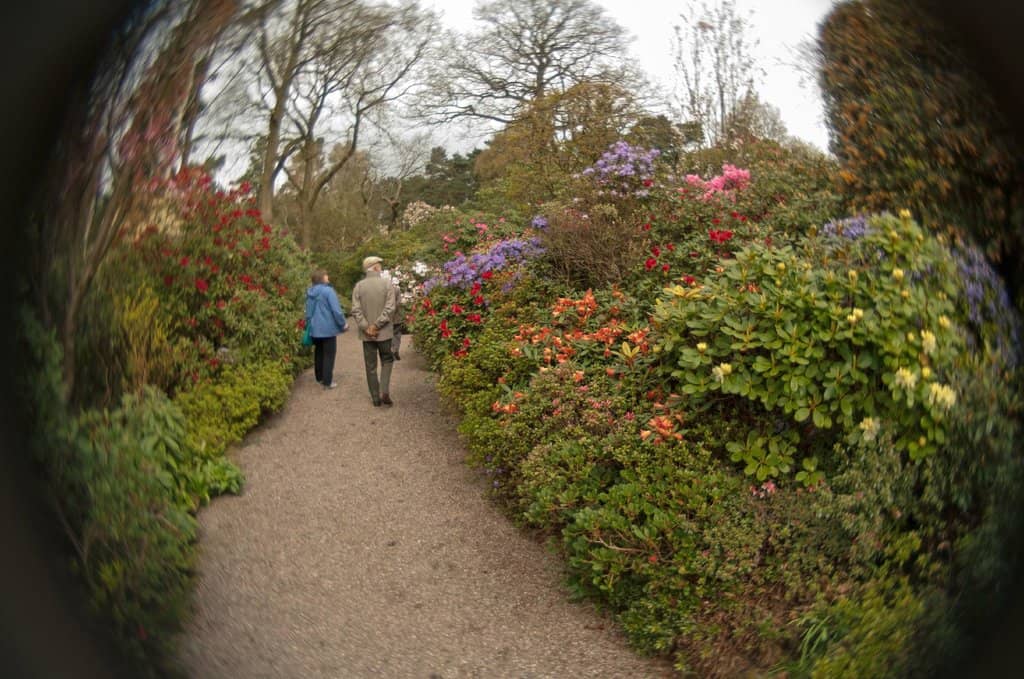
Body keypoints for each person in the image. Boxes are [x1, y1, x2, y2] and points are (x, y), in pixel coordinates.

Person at [351, 256, 397, 406]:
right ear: (376, 268)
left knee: (370, 366)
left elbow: (356, 310)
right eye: (380, 265)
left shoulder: (358, 286)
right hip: (384, 333)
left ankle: (375, 398)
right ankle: (384, 390)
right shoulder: (387, 284)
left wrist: (367, 327)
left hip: (367, 335)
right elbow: (390, 308)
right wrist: (377, 325)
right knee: (387, 360)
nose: (381, 268)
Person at [305, 269, 348, 389]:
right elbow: (336, 310)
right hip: (328, 329)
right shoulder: (328, 291)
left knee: (319, 352)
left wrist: (309, 323)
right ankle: (328, 381)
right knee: (329, 354)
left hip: (314, 328)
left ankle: (319, 377)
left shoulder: (310, 292)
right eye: (326, 275)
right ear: (322, 278)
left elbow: (308, 312)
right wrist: (343, 324)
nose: (328, 277)